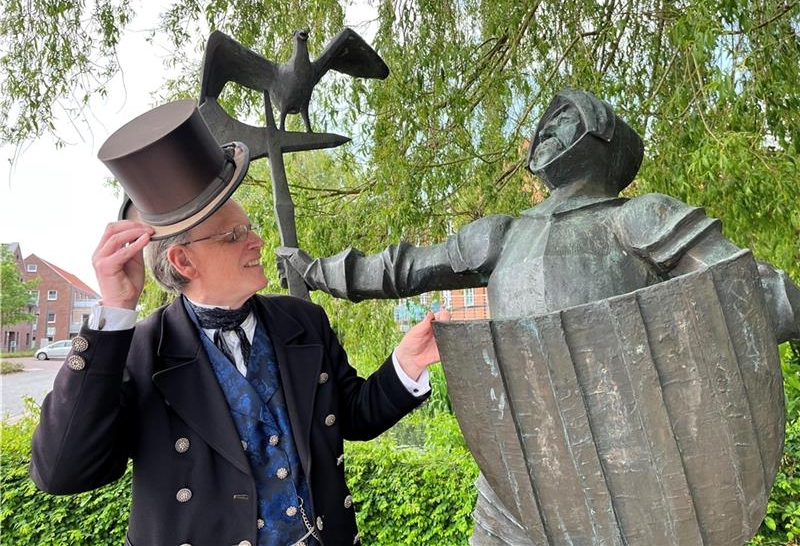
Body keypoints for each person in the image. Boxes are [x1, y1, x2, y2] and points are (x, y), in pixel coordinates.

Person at [278, 89, 800, 544]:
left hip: (626, 468)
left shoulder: (638, 218)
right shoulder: (501, 236)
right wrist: (320, 271)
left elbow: (742, 288)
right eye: (544, 121)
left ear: (603, 138)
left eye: (565, 118)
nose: (545, 129)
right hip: (519, 474)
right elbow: (404, 269)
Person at [30, 100, 449, 546]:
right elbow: (62, 472)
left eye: (249, 228)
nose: (257, 241)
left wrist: (407, 362)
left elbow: (353, 417)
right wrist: (114, 310)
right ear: (183, 259)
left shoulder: (303, 321)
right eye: (235, 235)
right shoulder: (138, 350)